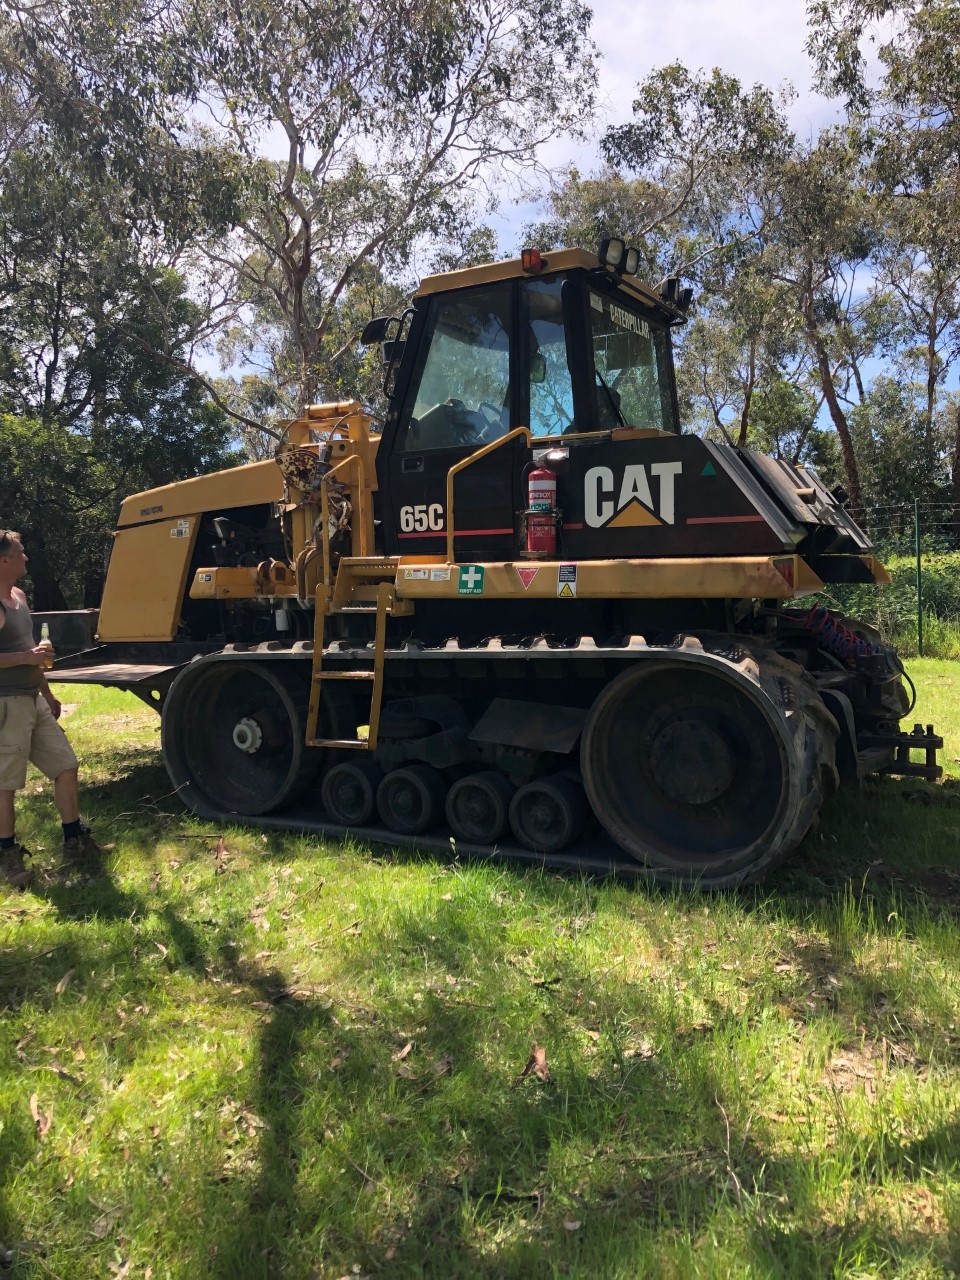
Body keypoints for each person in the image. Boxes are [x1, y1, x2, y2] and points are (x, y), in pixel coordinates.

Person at [0, 530, 99, 887]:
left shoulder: (20, 597)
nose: (26, 557)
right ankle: (8, 855)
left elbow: (32, 651)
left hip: (33, 699)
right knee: (5, 785)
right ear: (4, 560)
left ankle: (74, 839)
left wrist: (48, 693)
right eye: (20, 552)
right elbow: (25, 654)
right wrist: (27, 657)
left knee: (66, 766)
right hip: (6, 705)